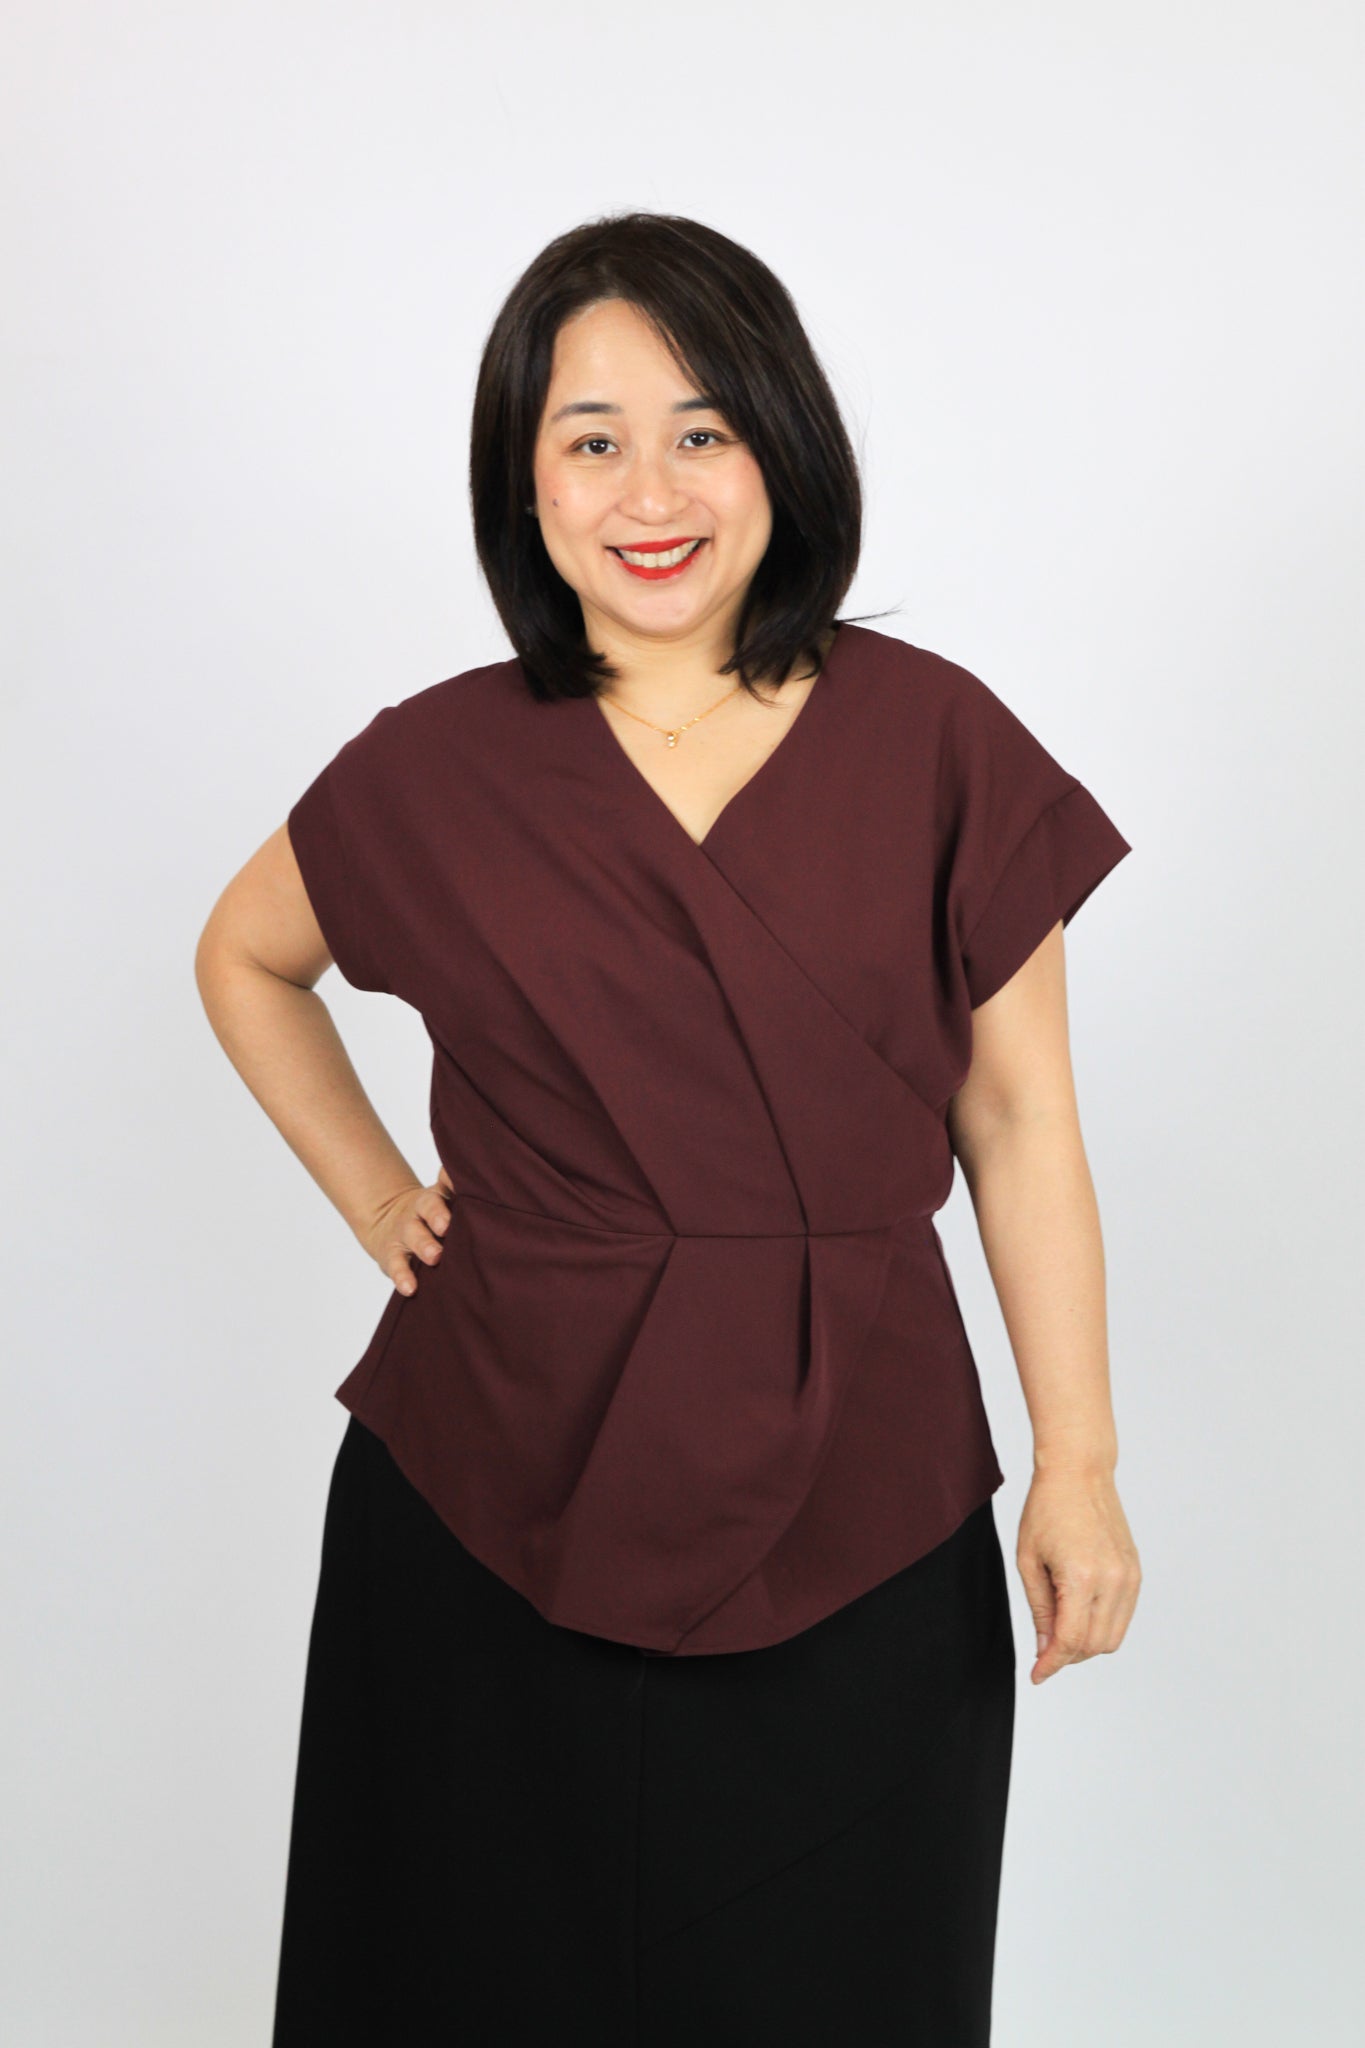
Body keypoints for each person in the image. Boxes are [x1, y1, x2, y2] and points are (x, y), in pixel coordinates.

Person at [195, 210, 1142, 2045]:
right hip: (485, 1479)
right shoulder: (431, 764)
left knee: (838, 1985)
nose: (651, 490)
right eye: (592, 437)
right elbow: (245, 956)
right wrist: (376, 1195)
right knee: (464, 1984)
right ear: (524, 478)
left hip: (862, 1479)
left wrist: (1078, 1462)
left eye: (702, 430)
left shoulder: (937, 739)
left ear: (782, 447)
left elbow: (1023, 1117)